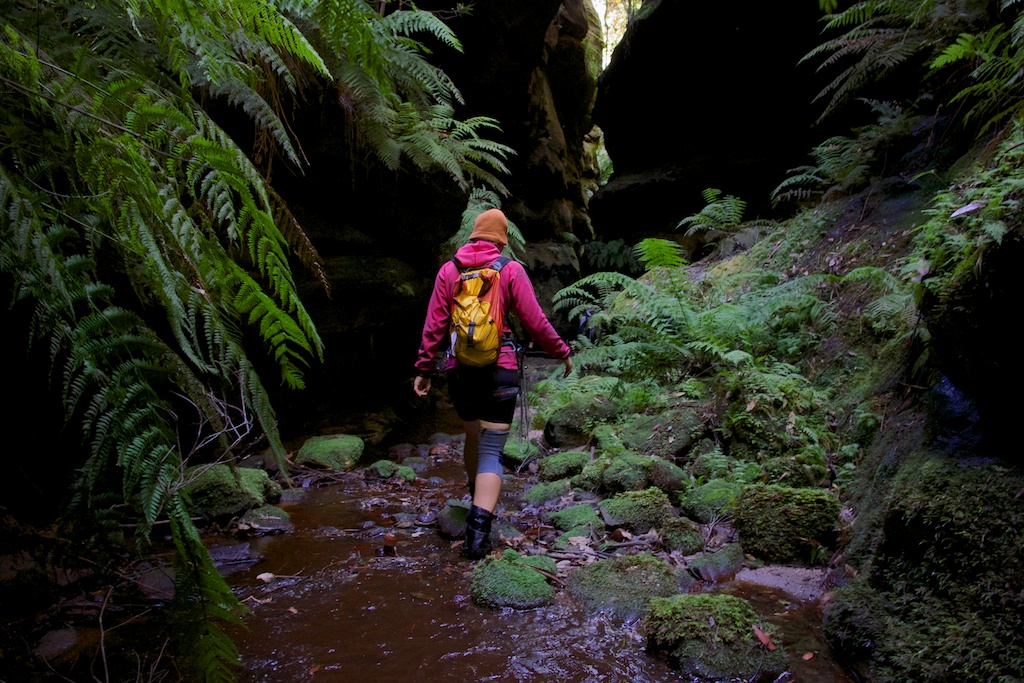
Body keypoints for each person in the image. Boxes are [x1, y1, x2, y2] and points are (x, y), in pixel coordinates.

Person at [413, 208, 572, 559]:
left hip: (460, 370)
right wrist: (561, 352)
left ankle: (476, 498)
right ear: (502, 239)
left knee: (473, 435)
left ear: (473, 234)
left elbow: (434, 325)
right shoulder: (510, 269)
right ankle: (477, 536)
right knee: (491, 450)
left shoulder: (449, 270)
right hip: (500, 368)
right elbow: (534, 320)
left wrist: (424, 369)